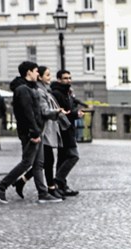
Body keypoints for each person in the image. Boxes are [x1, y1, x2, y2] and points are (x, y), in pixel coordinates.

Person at [0, 61, 62, 204]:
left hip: (38, 130)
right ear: (29, 72)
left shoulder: (32, 87)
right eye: (36, 71)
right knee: (27, 162)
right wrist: (34, 133)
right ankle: (2, 185)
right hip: (31, 133)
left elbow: (36, 112)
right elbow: (27, 114)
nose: (38, 73)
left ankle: (43, 194)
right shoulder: (23, 90)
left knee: (38, 164)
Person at [14, 66, 68, 200]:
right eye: (47, 75)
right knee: (42, 161)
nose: (50, 78)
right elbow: (42, 111)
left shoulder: (45, 90)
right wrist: (57, 112)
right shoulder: (38, 91)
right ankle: (48, 189)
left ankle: (23, 182)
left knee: (42, 162)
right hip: (43, 130)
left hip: (46, 129)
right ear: (39, 77)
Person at [51, 69, 84, 197]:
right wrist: (76, 114)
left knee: (63, 157)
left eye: (69, 78)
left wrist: (75, 111)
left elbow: (71, 108)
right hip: (63, 129)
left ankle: (61, 186)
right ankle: (58, 180)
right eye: (65, 78)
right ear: (59, 79)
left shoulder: (67, 92)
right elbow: (63, 112)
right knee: (73, 156)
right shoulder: (57, 93)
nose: (68, 80)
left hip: (68, 128)